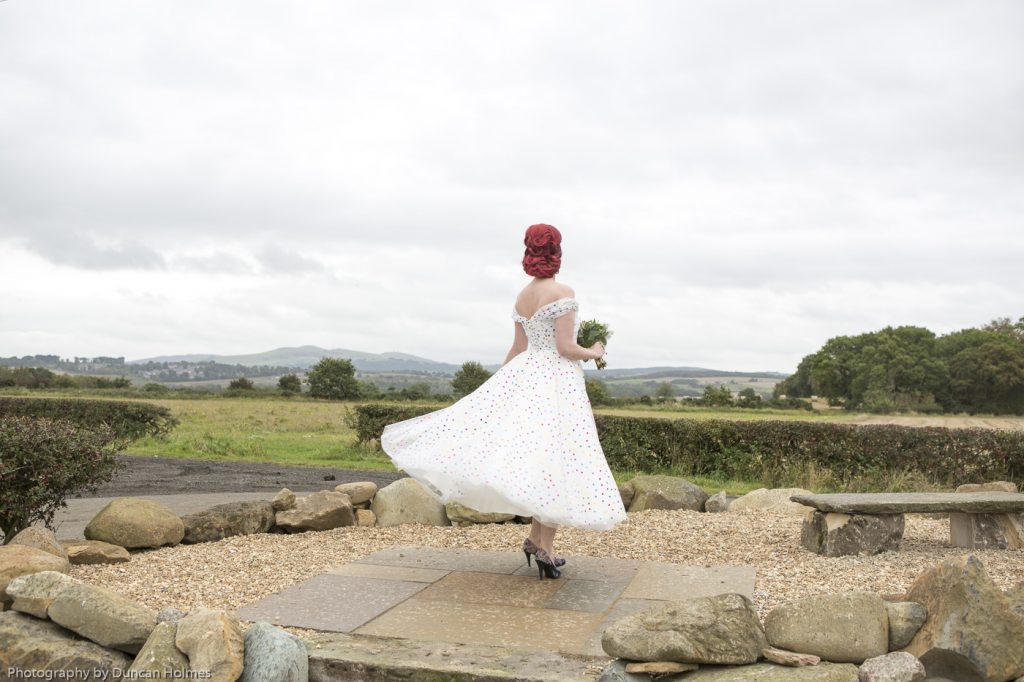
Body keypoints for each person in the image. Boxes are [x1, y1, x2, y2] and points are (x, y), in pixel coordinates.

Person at [381, 224, 628, 579]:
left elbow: (517, 349)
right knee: (555, 459)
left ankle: (536, 541)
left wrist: (498, 387)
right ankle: (544, 549)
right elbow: (565, 348)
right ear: (557, 251)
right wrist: (595, 351)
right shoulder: (563, 291)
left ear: (529, 252)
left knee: (540, 459)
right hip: (555, 382)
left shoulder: (522, 296)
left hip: (527, 376)